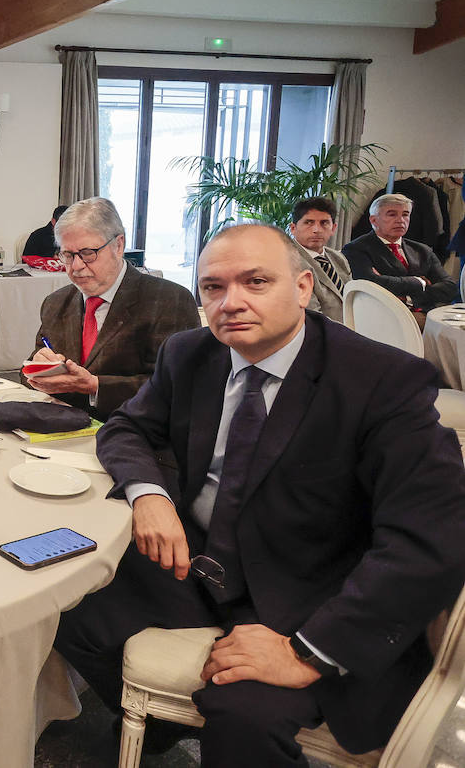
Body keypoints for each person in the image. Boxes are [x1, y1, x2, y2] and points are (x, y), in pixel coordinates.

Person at [52, 224, 465, 766]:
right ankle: (158, 731)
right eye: (213, 287)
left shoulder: (380, 379)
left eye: (256, 281)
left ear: (302, 287)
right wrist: (149, 495)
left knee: (243, 717)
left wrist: (309, 653)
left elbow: (433, 536)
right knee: (64, 600)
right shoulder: (190, 353)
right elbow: (128, 427)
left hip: (311, 588)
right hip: (197, 560)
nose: (231, 302)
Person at [30, 198, 199, 417]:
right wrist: (38, 368)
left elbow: (178, 387)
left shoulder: (169, 301)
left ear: (118, 246)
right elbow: (28, 370)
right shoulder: (56, 302)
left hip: (136, 428)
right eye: (68, 255)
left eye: (88, 253)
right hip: (62, 424)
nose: (76, 266)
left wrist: (96, 386)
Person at [342, 192, 458, 311]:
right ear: (374, 220)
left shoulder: (422, 250)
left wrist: (409, 298)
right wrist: (418, 281)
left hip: (425, 313)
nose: (400, 220)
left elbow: (450, 288)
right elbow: (371, 284)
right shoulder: (356, 249)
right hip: (382, 313)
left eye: (405, 214)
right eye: (392, 214)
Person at [287, 195, 351, 322]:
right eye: (309, 223)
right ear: (293, 228)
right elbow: (312, 317)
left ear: (333, 228)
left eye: (324, 223)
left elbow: (353, 299)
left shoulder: (338, 258)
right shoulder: (289, 261)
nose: (317, 230)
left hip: (353, 326)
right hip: (320, 331)